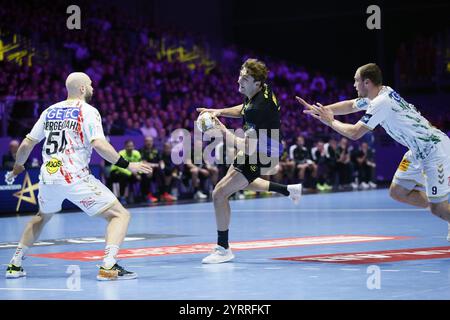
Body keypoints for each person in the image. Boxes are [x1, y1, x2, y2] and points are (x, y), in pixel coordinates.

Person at [5, 72, 152, 280]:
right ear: (82, 88)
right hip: (74, 176)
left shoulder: (50, 110)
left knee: (41, 216)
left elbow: (27, 143)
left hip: (49, 175)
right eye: (90, 85)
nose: (93, 88)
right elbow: (99, 144)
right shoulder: (88, 111)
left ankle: (15, 265)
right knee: (120, 215)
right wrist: (128, 165)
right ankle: (108, 266)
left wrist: (18, 165)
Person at [297, 63, 450, 238]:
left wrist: (330, 121)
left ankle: (441, 209)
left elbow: (354, 133)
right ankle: (442, 208)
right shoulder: (380, 92)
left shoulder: (381, 102)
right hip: (416, 151)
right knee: (398, 192)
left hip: (434, 150)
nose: (354, 85)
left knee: (438, 208)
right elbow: (351, 105)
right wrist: (321, 110)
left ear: (367, 83)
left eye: (356, 81)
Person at [196, 58, 302, 264]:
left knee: (219, 193)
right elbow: (244, 108)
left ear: (257, 83)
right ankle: (289, 190)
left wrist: (221, 131)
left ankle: (223, 248)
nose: (239, 81)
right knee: (236, 181)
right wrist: (220, 111)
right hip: (266, 144)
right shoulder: (261, 91)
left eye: (245, 79)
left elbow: (246, 146)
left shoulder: (258, 109)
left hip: (263, 152)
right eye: (240, 75)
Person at [110, 140, 142, 204]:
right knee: (123, 176)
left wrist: (139, 174)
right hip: (116, 171)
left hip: (131, 171)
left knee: (143, 176)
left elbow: (139, 164)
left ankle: (138, 196)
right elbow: (120, 167)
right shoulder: (121, 153)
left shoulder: (137, 153)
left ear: (134, 147)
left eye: (131, 146)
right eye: (128, 146)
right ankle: (122, 197)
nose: (130, 148)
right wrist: (131, 173)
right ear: (125, 147)